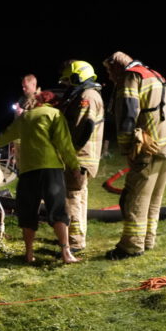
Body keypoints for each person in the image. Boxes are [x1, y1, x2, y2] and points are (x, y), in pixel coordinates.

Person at [102, 51, 166, 260]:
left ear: (117, 66)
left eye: (109, 71)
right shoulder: (154, 74)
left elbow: (127, 115)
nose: (110, 77)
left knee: (135, 199)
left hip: (149, 147)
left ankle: (131, 247)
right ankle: (147, 240)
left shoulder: (131, 77)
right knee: (154, 198)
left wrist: (127, 148)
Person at [0, 86, 82, 265]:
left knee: (28, 213)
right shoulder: (54, 115)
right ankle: (66, 253)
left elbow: (5, 136)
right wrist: (74, 165)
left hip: (27, 171)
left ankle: (29, 254)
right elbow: (64, 143)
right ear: (53, 103)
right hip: (51, 169)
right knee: (57, 210)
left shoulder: (25, 117)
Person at [57, 60, 105, 253]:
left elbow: (83, 126)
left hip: (79, 157)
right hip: (82, 156)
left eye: (69, 81)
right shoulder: (87, 94)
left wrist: (68, 151)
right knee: (79, 196)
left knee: (72, 197)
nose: (68, 85)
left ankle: (74, 242)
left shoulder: (87, 96)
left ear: (78, 77)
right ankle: (77, 237)